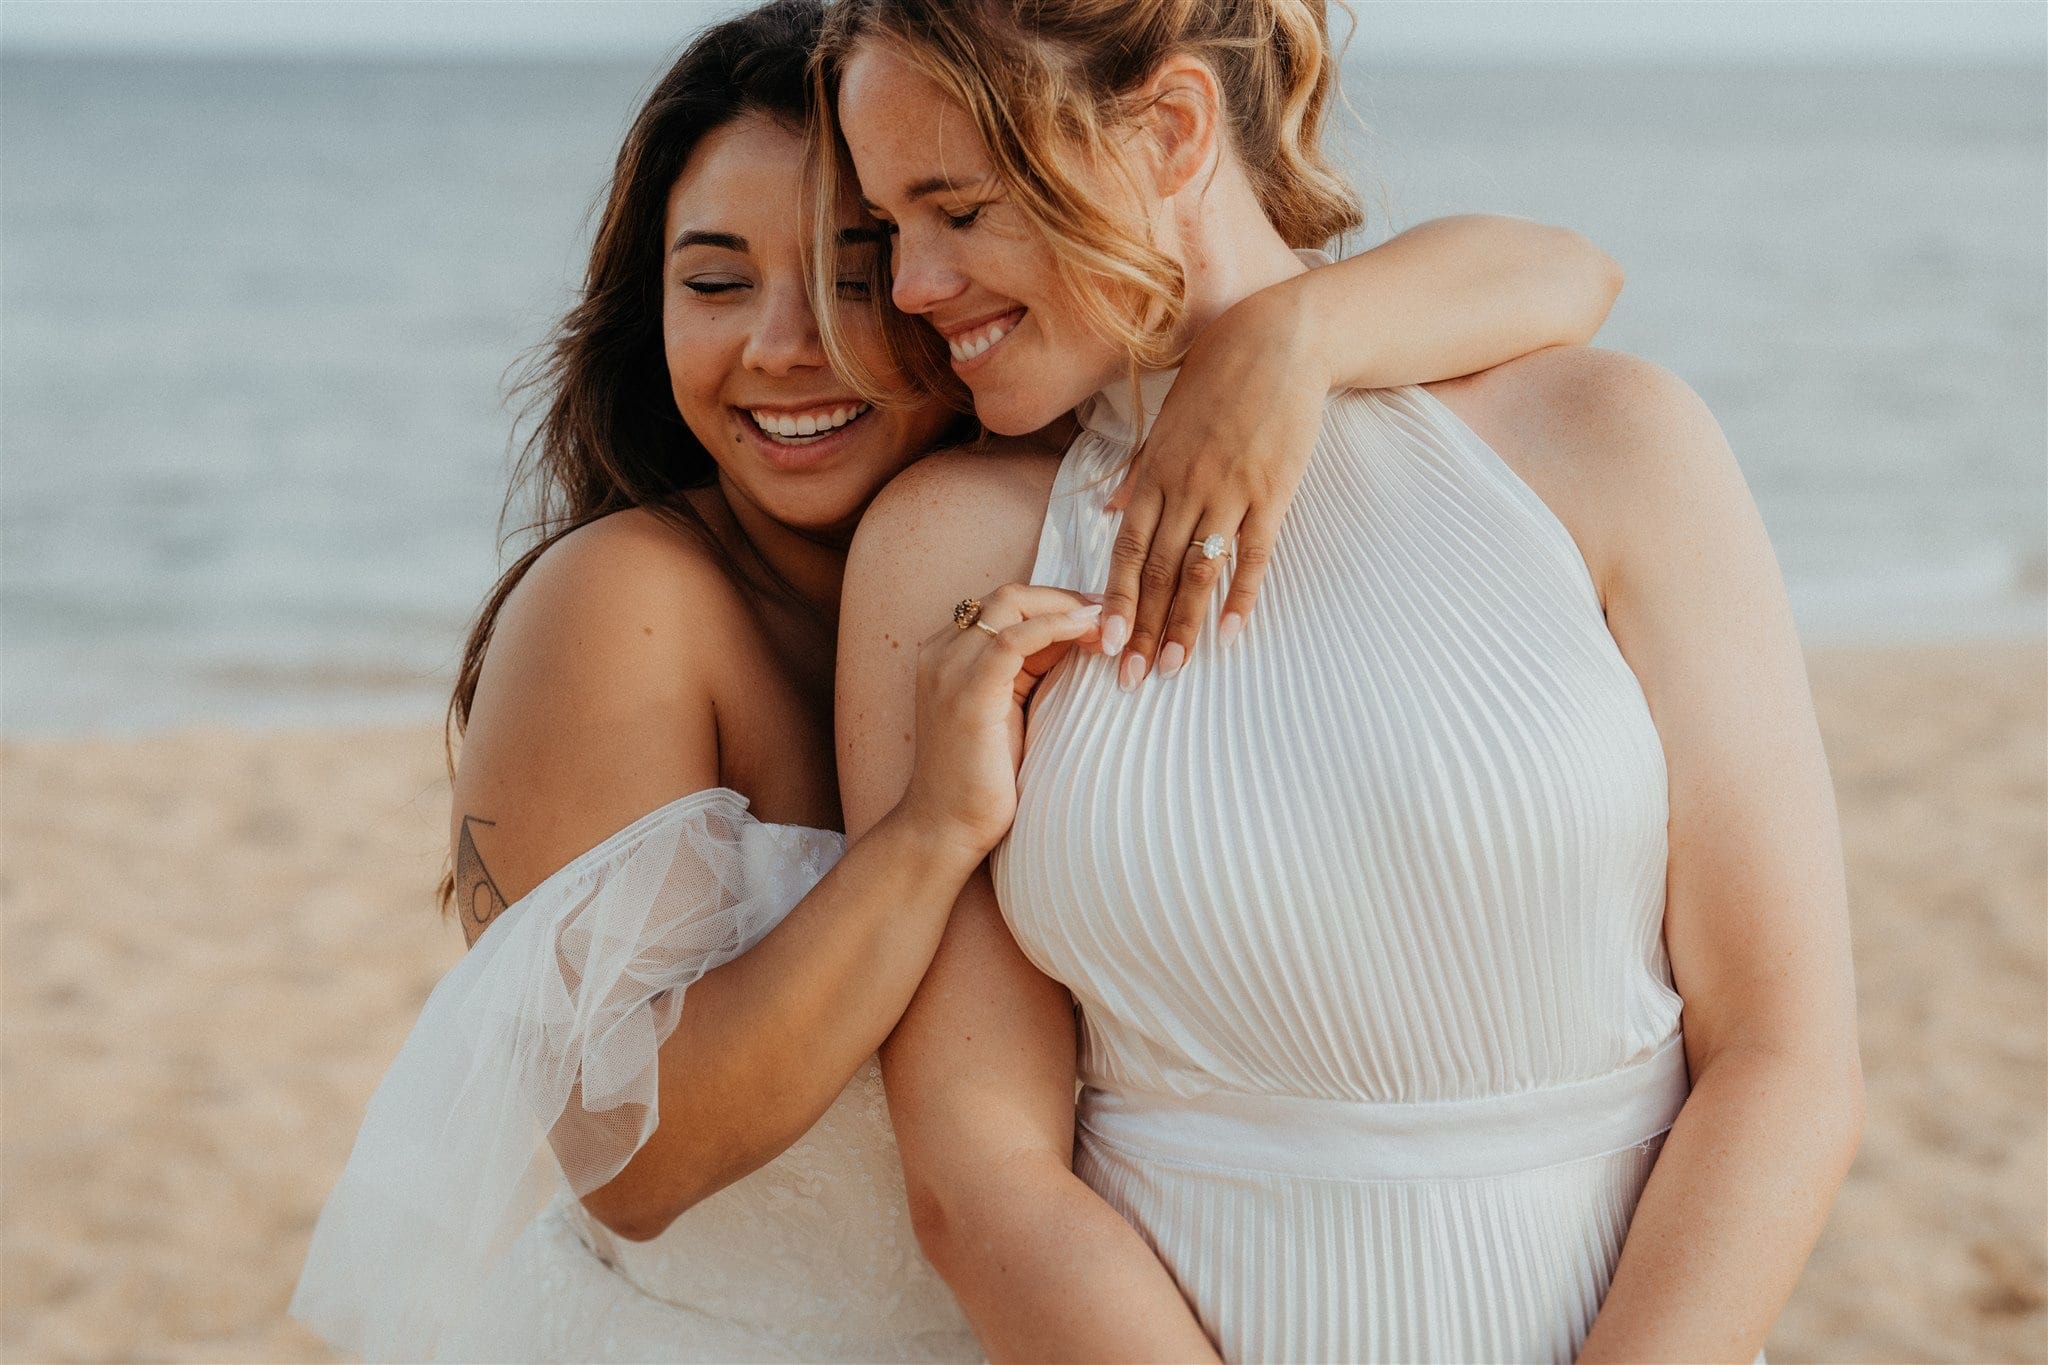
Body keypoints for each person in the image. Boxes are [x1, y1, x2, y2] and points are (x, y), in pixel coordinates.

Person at [289, 1, 1629, 1360]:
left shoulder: (1032, 514)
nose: (782, 344)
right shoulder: (629, 600)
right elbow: (629, 1165)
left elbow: (1566, 268)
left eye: (856, 272)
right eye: (712, 281)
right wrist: (928, 831)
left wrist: (1291, 341)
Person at [827, 1, 1864, 1361]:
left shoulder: (1609, 443)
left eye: (956, 209)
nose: (910, 285)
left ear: (1175, 131)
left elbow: (1787, 1058)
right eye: (888, 228)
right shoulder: (945, 552)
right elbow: (979, 1177)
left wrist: (1292, 339)